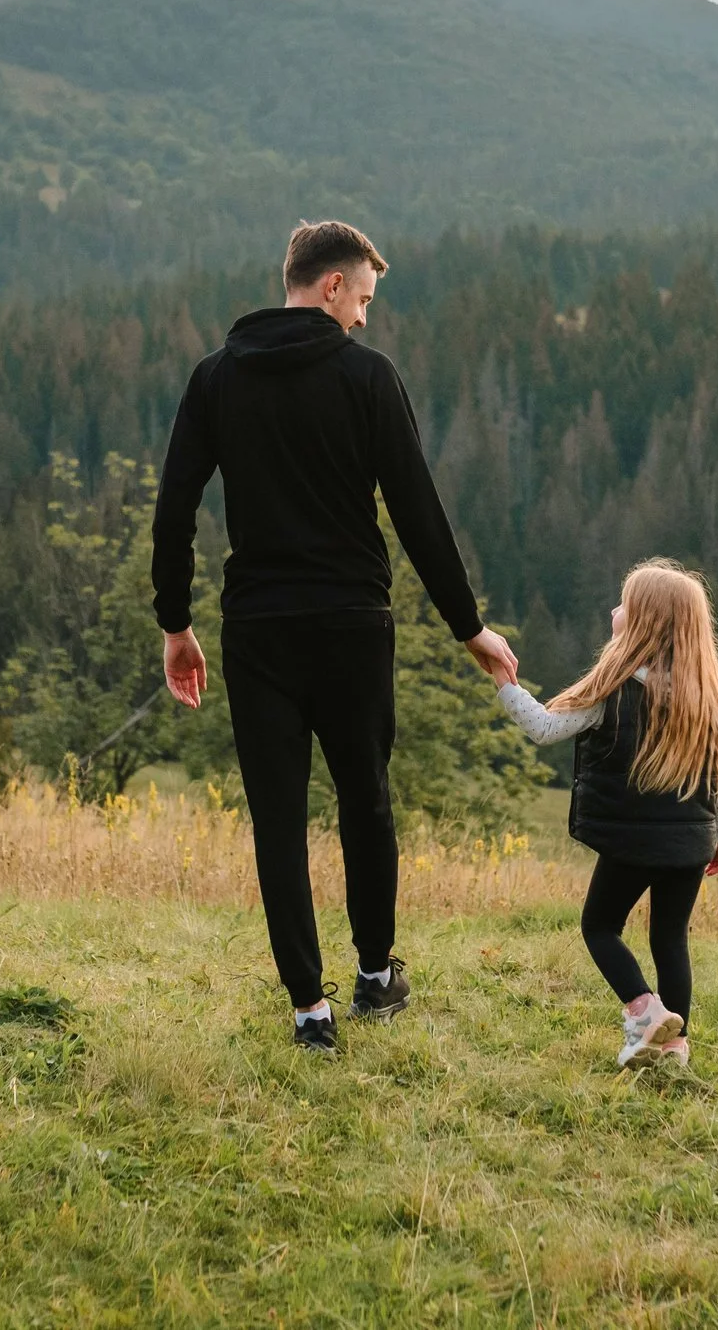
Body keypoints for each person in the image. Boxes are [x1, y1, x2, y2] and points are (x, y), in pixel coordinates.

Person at [153, 220, 520, 1053]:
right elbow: (418, 513)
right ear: (329, 287)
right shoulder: (367, 378)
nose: (362, 317)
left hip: (259, 631)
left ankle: (308, 1011)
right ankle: (373, 975)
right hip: (354, 627)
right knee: (367, 800)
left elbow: (174, 510)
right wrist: (472, 629)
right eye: (361, 299)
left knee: (277, 818)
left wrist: (176, 624)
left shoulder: (214, 381)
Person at [494, 559, 718, 1070]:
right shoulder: (705, 697)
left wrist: (502, 682)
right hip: (690, 845)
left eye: (624, 605)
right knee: (670, 939)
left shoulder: (615, 689)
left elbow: (543, 727)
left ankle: (644, 1010)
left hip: (632, 843)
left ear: (646, 621)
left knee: (600, 927)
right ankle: (675, 1048)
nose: (614, 610)